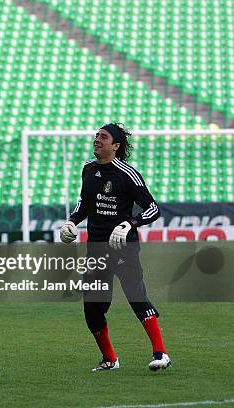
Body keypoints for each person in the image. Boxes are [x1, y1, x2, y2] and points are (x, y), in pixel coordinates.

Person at [59, 123, 171, 371]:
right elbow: (84, 204)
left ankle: (161, 353)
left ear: (116, 146)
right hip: (96, 251)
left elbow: (153, 209)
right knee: (92, 309)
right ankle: (110, 359)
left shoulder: (127, 173)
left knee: (136, 295)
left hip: (123, 248)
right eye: (96, 135)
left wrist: (130, 223)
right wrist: (71, 221)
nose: (97, 139)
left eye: (103, 136)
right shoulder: (88, 169)